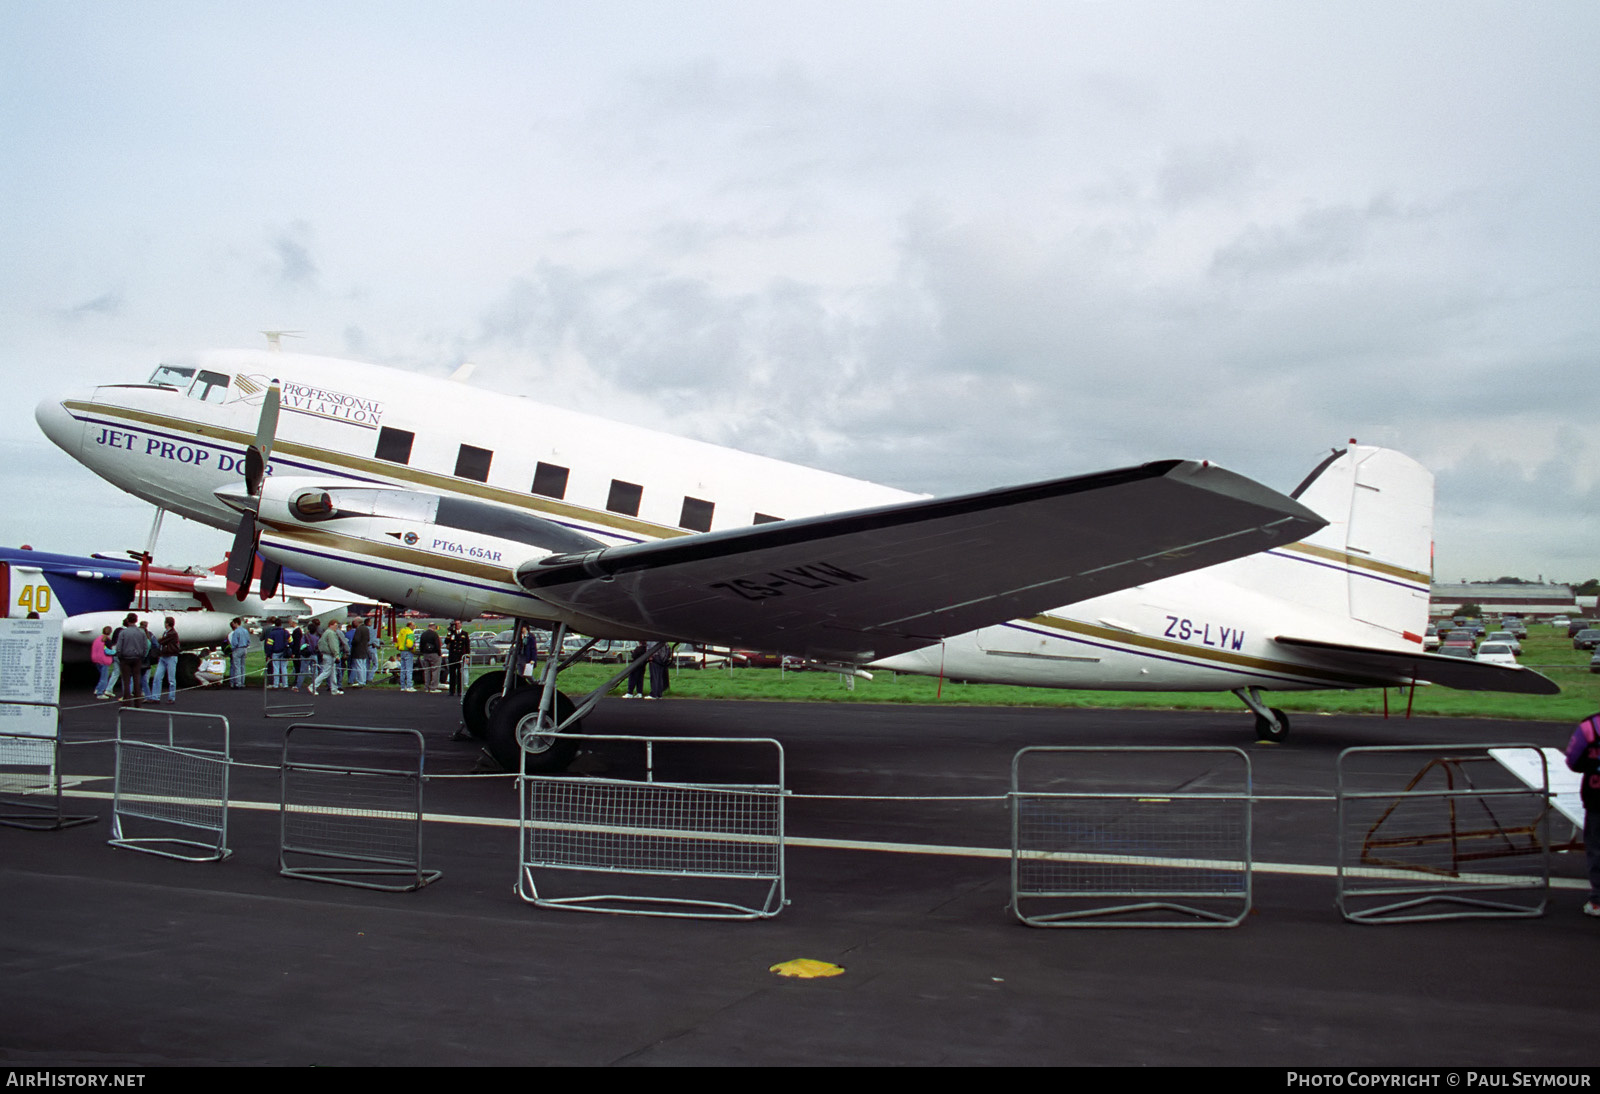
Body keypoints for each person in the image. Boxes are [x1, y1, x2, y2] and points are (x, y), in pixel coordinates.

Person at [1564, 710, 1600, 917]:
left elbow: (1573, 761)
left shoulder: (1591, 725)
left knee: (1596, 849)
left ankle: (1598, 901)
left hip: (1597, 798)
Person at [114, 612, 149, 705]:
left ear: (128, 621)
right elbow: (145, 646)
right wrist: (142, 655)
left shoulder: (123, 632)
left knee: (126, 681)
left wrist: (120, 656)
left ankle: (126, 702)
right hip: (137, 658)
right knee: (137, 680)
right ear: (136, 621)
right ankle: (138, 703)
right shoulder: (141, 633)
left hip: (125, 658)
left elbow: (118, 647)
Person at [151, 616, 181, 703]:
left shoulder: (172, 634)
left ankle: (171, 697)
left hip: (171, 656)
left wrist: (159, 639)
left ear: (167, 623)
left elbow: (161, 641)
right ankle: (155, 697)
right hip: (164, 656)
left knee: (171, 679)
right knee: (157, 677)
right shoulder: (167, 633)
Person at [312, 620, 345, 695]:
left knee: (333, 673)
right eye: (335, 625)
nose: (336, 627)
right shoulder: (331, 633)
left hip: (327, 654)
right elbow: (333, 645)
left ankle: (334, 689)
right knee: (326, 672)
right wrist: (337, 655)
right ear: (331, 625)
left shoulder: (326, 632)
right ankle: (313, 686)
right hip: (329, 655)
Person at [445, 622, 471, 697]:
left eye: (458, 624)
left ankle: (459, 691)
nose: (457, 625)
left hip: (460, 656)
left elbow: (467, 646)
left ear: (461, 624)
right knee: (452, 674)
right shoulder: (452, 633)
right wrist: (449, 633)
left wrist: (467, 657)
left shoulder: (464, 634)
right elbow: (446, 642)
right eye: (456, 624)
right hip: (453, 656)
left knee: (460, 674)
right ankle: (451, 691)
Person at [92, 625, 115, 698]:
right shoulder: (107, 640)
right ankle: (100, 693)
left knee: (102, 676)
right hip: (104, 660)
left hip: (96, 659)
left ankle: (98, 688)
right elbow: (107, 651)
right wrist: (115, 652)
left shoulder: (97, 639)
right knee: (104, 678)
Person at [419, 622, 443, 691]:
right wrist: (439, 653)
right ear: (433, 627)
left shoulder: (423, 634)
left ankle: (426, 687)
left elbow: (421, 645)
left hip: (425, 654)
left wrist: (422, 652)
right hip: (434, 653)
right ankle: (433, 687)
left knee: (427, 671)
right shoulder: (434, 634)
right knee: (435, 670)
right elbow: (437, 645)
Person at [348, 618, 371, 688]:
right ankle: (363, 680)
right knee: (363, 666)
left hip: (358, 650)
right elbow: (368, 639)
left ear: (357, 622)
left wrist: (352, 642)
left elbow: (356, 640)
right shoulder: (366, 629)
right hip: (364, 649)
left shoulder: (359, 629)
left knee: (359, 666)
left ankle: (360, 681)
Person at [228, 618, 251, 689]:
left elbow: (234, 643)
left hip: (237, 649)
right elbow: (248, 641)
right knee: (242, 666)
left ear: (235, 623)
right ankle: (242, 682)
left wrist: (232, 649)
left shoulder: (236, 632)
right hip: (244, 648)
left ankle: (238, 683)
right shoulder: (245, 631)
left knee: (237, 667)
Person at [395, 621, 417, 691]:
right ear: (410, 626)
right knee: (409, 669)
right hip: (408, 651)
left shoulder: (402, 631)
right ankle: (409, 686)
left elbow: (397, 641)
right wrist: (413, 648)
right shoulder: (410, 632)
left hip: (402, 651)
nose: (414, 627)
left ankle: (402, 686)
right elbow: (409, 644)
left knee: (403, 669)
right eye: (413, 625)